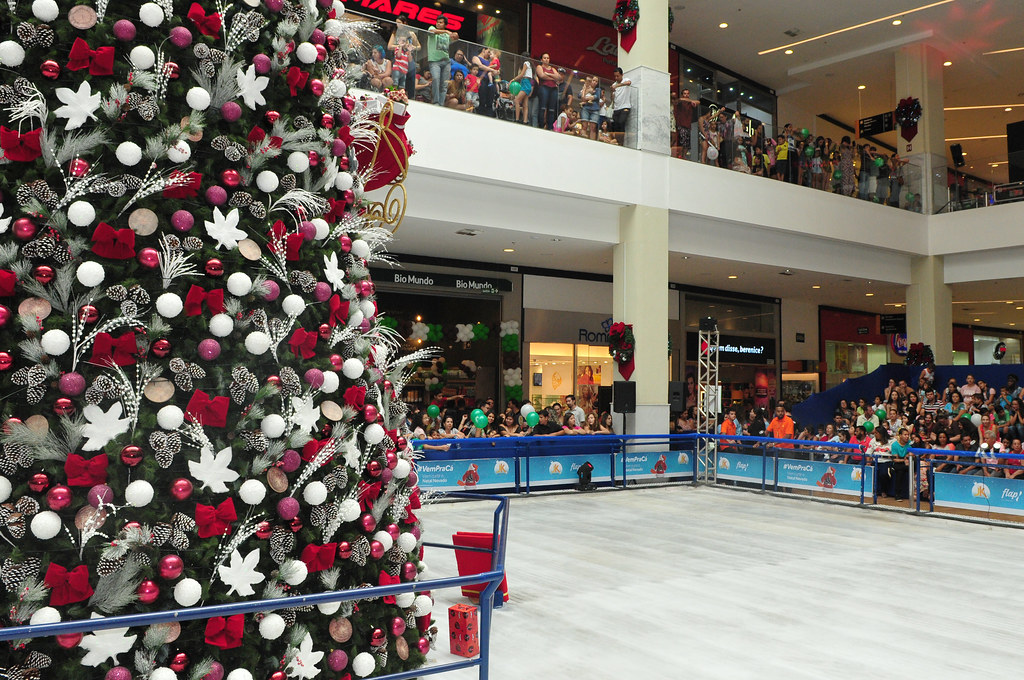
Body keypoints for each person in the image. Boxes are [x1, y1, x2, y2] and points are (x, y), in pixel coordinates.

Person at [426, 15, 457, 106]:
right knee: (435, 79)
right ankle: (436, 102)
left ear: (445, 24)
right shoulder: (432, 28)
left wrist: (455, 35)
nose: (438, 24)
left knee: (444, 84)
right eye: (437, 22)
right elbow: (432, 31)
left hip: (446, 61)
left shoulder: (447, 36)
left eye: (441, 22)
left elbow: (455, 38)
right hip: (434, 61)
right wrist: (446, 31)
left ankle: (441, 103)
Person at [388, 15, 420, 97]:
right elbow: (389, 46)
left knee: (410, 77)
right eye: (396, 23)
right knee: (396, 78)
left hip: (408, 57)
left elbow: (419, 47)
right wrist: (400, 46)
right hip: (398, 57)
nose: (397, 25)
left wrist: (411, 47)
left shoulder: (411, 34)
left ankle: (409, 96)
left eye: (399, 23)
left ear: (404, 23)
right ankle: (394, 94)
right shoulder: (395, 33)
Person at [535, 53, 561, 130]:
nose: (546, 59)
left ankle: (549, 127)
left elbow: (559, 77)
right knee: (542, 108)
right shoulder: (539, 67)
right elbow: (542, 75)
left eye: (548, 58)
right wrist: (553, 78)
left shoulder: (552, 68)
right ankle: (541, 125)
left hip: (553, 89)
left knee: (551, 109)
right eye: (545, 58)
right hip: (544, 87)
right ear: (541, 59)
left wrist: (548, 74)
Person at [609, 66, 631, 144]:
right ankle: (617, 141)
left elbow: (628, 83)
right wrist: (612, 91)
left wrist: (617, 86)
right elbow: (612, 98)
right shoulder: (613, 84)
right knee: (616, 124)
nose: (616, 78)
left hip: (625, 107)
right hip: (616, 108)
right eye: (615, 76)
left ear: (622, 75)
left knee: (621, 122)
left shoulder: (626, 80)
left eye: (618, 76)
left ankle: (621, 142)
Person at [890, 427, 911, 500]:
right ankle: (897, 494)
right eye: (905, 435)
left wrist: (908, 458)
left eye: (908, 435)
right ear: (900, 436)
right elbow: (895, 459)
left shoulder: (909, 443)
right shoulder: (894, 445)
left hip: (909, 462)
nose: (907, 436)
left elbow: (911, 454)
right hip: (899, 463)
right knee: (900, 470)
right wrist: (904, 460)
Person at [579, 76, 601, 140]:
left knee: (593, 127)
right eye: (593, 80)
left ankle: (592, 142)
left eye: (596, 81)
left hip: (595, 110)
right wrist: (586, 91)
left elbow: (596, 97)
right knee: (584, 126)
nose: (594, 82)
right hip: (585, 108)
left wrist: (585, 98)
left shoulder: (598, 90)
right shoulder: (585, 88)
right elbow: (579, 96)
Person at [513, 55, 533, 125]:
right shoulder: (529, 65)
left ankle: (517, 119)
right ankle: (525, 121)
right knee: (525, 104)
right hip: (526, 83)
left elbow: (521, 75)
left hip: (525, 82)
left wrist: (513, 80)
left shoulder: (526, 63)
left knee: (517, 100)